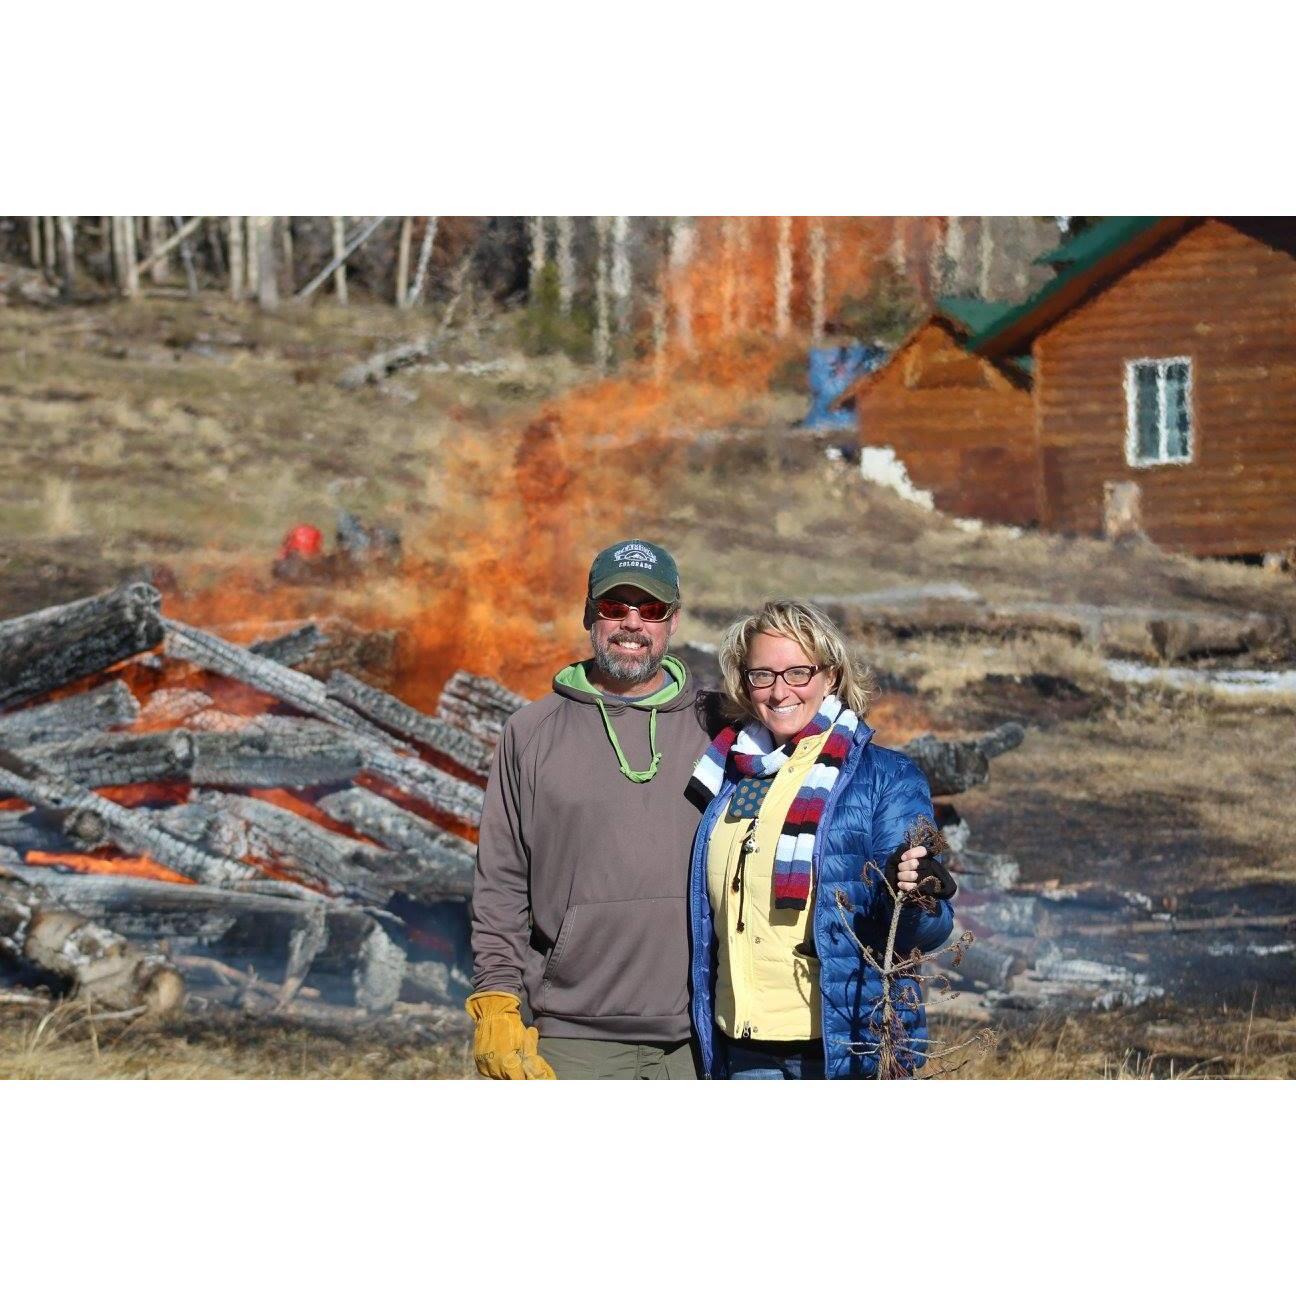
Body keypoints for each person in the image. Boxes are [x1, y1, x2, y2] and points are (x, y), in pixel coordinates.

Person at [466, 539, 711, 1079]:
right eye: (613, 607)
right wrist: (497, 999)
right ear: (588, 615)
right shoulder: (531, 733)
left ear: (671, 621)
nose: (631, 623)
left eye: (649, 610)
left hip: (702, 1035)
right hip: (572, 1038)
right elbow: (501, 882)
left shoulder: (718, 726)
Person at [685, 598, 956, 1079]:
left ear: (830, 676)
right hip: (743, 1049)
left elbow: (922, 935)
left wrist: (919, 898)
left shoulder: (884, 778)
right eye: (762, 675)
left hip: (841, 1048)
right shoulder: (728, 774)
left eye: (797, 673)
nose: (779, 690)